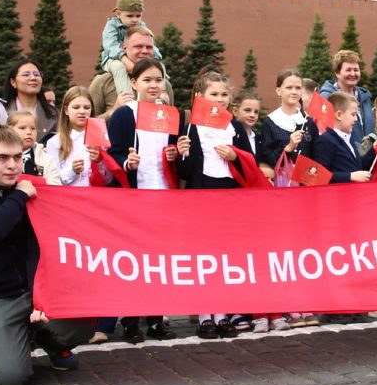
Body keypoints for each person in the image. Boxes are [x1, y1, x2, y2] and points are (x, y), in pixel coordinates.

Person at [0, 125, 97, 385]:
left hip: (33, 293)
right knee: (8, 378)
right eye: (2, 158)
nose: (12, 165)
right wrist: (19, 195)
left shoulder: (35, 194)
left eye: (17, 157)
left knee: (84, 319)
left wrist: (41, 296)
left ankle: (49, 342)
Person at [106, 58, 183, 343]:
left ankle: (156, 319)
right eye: (147, 80)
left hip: (163, 195)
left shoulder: (170, 115)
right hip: (134, 196)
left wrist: (174, 155)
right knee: (134, 259)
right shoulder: (124, 115)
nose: (153, 85)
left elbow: (173, 151)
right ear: (134, 83)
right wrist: (128, 162)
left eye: (158, 80)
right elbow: (113, 153)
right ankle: (130, 320)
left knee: (159, 259)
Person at [178, 71, 252, 338]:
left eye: (224, 94)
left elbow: (249, 163)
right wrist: (183, 153)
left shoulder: (235, 127)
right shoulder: (191, 127)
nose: (219, 99)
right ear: (200, 97)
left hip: (228, 195)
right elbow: (184, 172)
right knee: (203, 254)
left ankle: (221, 313)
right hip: (201, 194)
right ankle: (204, 314)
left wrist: (234, 156)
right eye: (214, 94)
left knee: (223, 254)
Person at [90, 26, 174, 118]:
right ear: (124, 48)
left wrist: (165, 111)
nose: (145, 51)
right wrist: (114, 111)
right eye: (138, 47)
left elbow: (170, 122)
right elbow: (88, 123)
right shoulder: (102, 82)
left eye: (149, 47)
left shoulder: (164, 85)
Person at [101, 0, 163, 97]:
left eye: (138, 16)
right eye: (130, 16)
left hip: (135, 59)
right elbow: (110, 46)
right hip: (113, 59)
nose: (135, 20)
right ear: (118, 14)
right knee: (119, 67)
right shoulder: (111, 25)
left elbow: (149, 43)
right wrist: (124, 59)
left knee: (160, 66)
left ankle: (161, 95)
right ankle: (127, 97)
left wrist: (156, 57)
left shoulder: (141, 25)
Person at [46, 87, 109, 188]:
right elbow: (53, 180)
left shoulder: (101, 138)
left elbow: (109, 180)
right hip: (68, 196)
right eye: (76, 107)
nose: (82, 111)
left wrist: (99, 162)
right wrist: (72, 171)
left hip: (95, 195)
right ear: (66, 110)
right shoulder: (55, 142)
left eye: (87, 107)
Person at [261, 70, 319, 171]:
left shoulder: (308, 122)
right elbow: (268, 161)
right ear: (278, 90)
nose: (294, 92)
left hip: (305, 179)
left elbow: (316, 158)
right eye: (289, 88)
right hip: (282, 179)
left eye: (298, 88)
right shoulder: (270, 122)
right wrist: (289, 147)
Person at [314, 92, 372, 183]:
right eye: (353, 114)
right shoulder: (325, 140)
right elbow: (319, 175)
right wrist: (350, 176)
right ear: (339, 115)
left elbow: (357, 166)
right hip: (338, 191)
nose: (356, 119)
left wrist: (374, 150)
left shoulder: (349, 139)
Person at [319, 50, 374, 146]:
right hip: (342, 151)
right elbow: (325, 130)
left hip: (367, 152)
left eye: (356, 70)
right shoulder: (328, 98)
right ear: (337, 73)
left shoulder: (365, 96)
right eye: (348, 70)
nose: (353, 74)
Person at [3, 59, 58, 140]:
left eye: (37, 74)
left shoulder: (54, 114)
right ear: (13, 82)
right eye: (26, 75)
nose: (33, 78)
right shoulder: (2, 111)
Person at [8, 111, 62, 184]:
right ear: (9, 130)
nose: (29, 132)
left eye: (33, 128)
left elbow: (55, 184)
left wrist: (37, 181)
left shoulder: (45, 159)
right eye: (22, 128)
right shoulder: (1, 156)